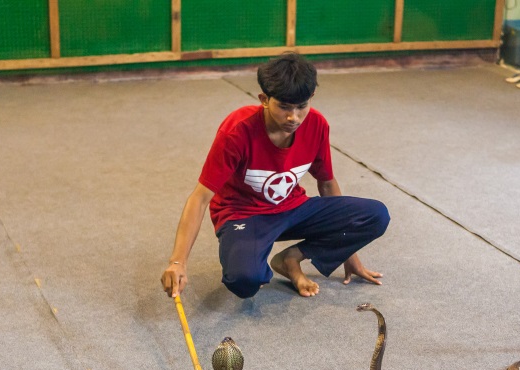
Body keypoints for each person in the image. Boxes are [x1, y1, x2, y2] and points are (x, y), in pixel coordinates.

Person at [161, 52, 390, 299]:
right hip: (244, 215)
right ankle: (258, 259)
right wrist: (177, 262)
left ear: (311, 98)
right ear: (264, 99)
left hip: (294, 209)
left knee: (375, 215)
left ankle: (291, 258)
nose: (294, 117)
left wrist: (348, 254)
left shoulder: (316, 125)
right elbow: (200, 197)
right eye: (284, 107)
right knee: (245, 280)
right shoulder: (237, 131)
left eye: (301, 107)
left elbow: (326, 183)